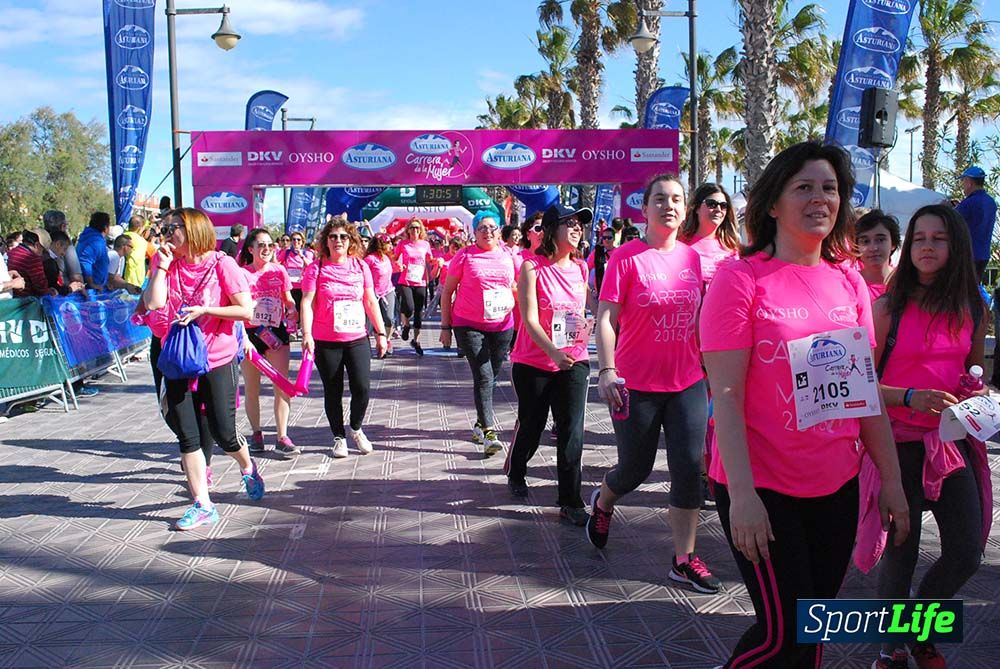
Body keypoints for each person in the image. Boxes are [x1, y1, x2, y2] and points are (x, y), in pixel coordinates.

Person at [699, 142, 909, 667]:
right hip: (763, 487)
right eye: (805, 187)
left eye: (830, 188)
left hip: (835, 484)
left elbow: (864, 395)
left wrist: (892, 481)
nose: (821, 198)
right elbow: (724, 395)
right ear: (773, 203)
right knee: (780, 635)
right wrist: (743, 496)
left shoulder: (848, 281)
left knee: (812, 628)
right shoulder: (739, 278)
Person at [865, 204, 989, 669]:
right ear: (908, 247)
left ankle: (918, 627)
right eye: (920, 239)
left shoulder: (973, 307)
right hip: (895, 446)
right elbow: (859, 386)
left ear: (955, 245)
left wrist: (977, 396)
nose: (928, 247)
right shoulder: (884, 308)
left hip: (952, 445)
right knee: (902, 551)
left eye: (939, 238)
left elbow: (974, 375)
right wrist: (909, 396)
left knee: (966, 552)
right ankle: (891, 648)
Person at [587, 174, 720, 593]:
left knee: (687, 471)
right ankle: (604, 501)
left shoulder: (692, 258)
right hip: (635, 384)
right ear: (643, 209)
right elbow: (607, 319)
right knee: (635, 469)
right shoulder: (626, 258)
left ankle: (683, 558)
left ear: (686, 209)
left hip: (687, 382)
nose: (669, 206)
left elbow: (699, 319)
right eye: (659, 199)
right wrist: (607, 370)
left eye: (677, 199)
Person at [142, 207, 264, 531]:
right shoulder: (168, 264)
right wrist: (161, 267)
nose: (167, 236)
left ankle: (248, 467)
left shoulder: (222, 264)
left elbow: (246, 309)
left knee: (224, 432)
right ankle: (202, 504)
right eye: (165, 230)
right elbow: (153, 304)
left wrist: (206, 310)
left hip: (217, 358)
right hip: (178, 358)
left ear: (193, 230)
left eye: (173, 229)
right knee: (188, 434)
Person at [503, 204, 592, 527]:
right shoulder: (531, 267)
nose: (577, 228)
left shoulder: (581, 269)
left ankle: (570, 500)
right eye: (570, 223)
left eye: (580, 224)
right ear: (553, 229)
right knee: (533, 424)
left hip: (574, 361)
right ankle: (517, 469)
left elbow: (581, 311)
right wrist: (553, 352)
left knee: (571, 431)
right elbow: (528, 318)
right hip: (534, 362)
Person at [301, 220, 388, 458]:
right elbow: (306, 302)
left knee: (362, 387)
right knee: (333, 390)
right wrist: (306, 334)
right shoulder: (316, 268)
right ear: (325, 241)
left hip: (357, 337)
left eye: (343, 237)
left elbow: (370, 301)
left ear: (351, 241)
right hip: (326, 340)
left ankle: (356, 428)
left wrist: (381, 333)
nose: (338, 241)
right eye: (333, 237)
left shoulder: (360, 266)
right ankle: (338, 437)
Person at [439, 211, 517, 456]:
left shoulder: (508, 254)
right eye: (482, 227)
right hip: (468, 323)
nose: (488, 232)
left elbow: (516, 286)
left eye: (492, 227)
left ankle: (479, 423)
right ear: (474, 232)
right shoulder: (464, 256)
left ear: (499, 230)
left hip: (502, 325)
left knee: (491, 377)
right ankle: (489, 431)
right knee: (483, 376)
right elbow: (447, 291)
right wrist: (445, 327)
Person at [237, 229, 300, 456]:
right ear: (251, 249)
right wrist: (243, 338)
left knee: (282, 386)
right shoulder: (241, 273)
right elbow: (236, 307)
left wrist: (292, 310)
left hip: (275, 333)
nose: (266, 249)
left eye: (270, 245)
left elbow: (288, 299)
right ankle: (256, 434)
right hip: (250, 335)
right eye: (261, 245)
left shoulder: (279, 271)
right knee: (252, 388)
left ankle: (282, 436)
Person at [679, 183, 740, 288]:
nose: (718, 209)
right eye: (711, 204)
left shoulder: (733, 246)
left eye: (723, 205)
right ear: (696, 208)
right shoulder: (679, 244)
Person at [393, 218, 433, 355]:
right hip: (405, 280)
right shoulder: (403, 244)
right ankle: (405, 325)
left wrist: (438, 262)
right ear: (408, 230)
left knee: (418, 313)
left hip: (420, 281)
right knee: (408, 307)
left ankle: (416, 341)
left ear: (421, 230)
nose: (414, 230)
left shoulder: (425, 244)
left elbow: (429, 259)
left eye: (417, 228)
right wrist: (398, 265)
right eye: (412, 228)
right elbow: (394, 258)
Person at [954, 166, 997, 282]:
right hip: (983, 254)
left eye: (963, 181)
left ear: (969, 182)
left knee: (962, 290)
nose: (963, 185)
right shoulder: (991, 202)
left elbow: (951, 220)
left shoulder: (969, 203)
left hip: (968, 255)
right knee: (974, 289)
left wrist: (947, 208)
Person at [855, 209, 901, 301]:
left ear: (893, 244)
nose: (873, 248)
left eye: (880, 240)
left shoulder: (907, 282)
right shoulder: (849, 284)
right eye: (865, 241)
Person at [364, 234, 397, 352]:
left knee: (389, 318)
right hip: (373, 295)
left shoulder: (386, 258)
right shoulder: (370, 259)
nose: (391, 246)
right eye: (389, 243)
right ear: (381, 245)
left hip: (387, 291)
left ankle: (386, 340)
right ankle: (373, 345)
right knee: (370, 323)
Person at [277, 231, 315, 315]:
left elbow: (311, 267)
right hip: (289, 287)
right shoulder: (286, 253)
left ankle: (300, 326)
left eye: (298, 240)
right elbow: (276, 264)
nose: (296, 242)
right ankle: (290, 327)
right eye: (293, 239)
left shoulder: (307, 253)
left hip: (302, 287)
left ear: (302, 242)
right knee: (290, 311)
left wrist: (301, 256)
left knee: (301, 310)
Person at [42, 210, 84, 287]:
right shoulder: (65, 244)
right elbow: (76, 276)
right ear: (63, 226)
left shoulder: (40, 243)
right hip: (64, 291)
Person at [6, 230, 50, 297]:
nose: (42, 255)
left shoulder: (11, 252)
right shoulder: (33, 258)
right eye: (43, 251)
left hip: (10, 296)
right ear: (37, 245)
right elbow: (41, 287)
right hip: (25, 300)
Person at [123, 215, 149, 288]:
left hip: (119, 278)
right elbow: (136, 262)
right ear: (139, 228)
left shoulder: (122, 236)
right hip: (133, 280)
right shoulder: (141, 242)